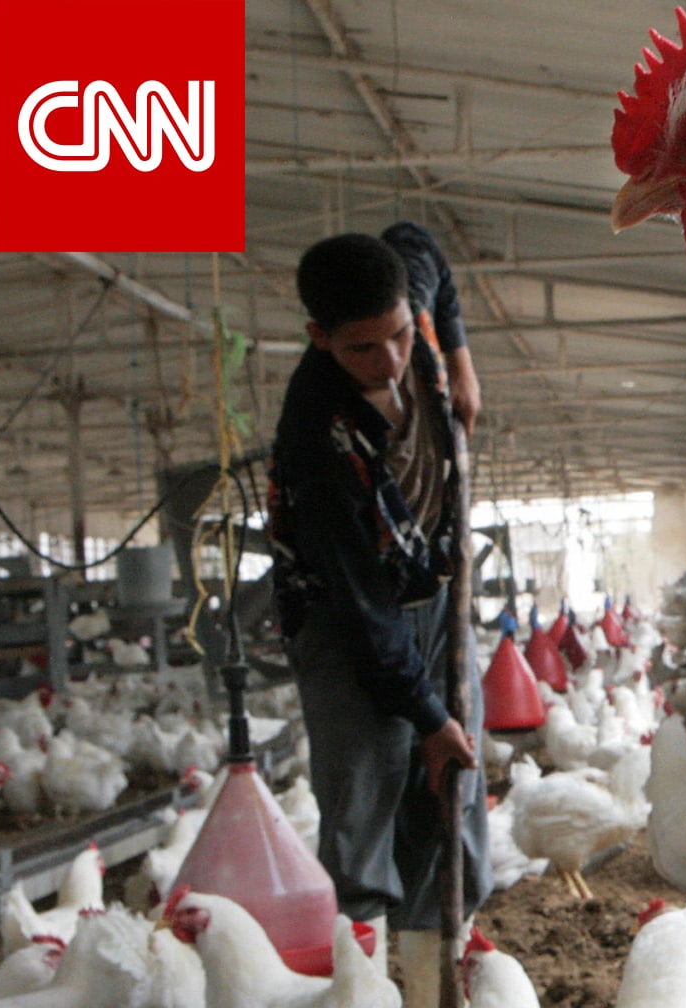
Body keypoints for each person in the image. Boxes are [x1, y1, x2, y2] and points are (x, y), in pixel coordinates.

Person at [267, 222, 490, 1006]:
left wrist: (458, 360)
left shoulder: (410, 292)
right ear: (319, 338)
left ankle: (430, 991)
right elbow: (361, 608)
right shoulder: (315, 433)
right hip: (344, 622)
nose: (391, 360)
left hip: (431, 592)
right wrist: (426, 717)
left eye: (399, 336)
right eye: (363, 349)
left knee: (451, 799)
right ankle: (363, 988)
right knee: (364, 809)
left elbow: (423, 246)